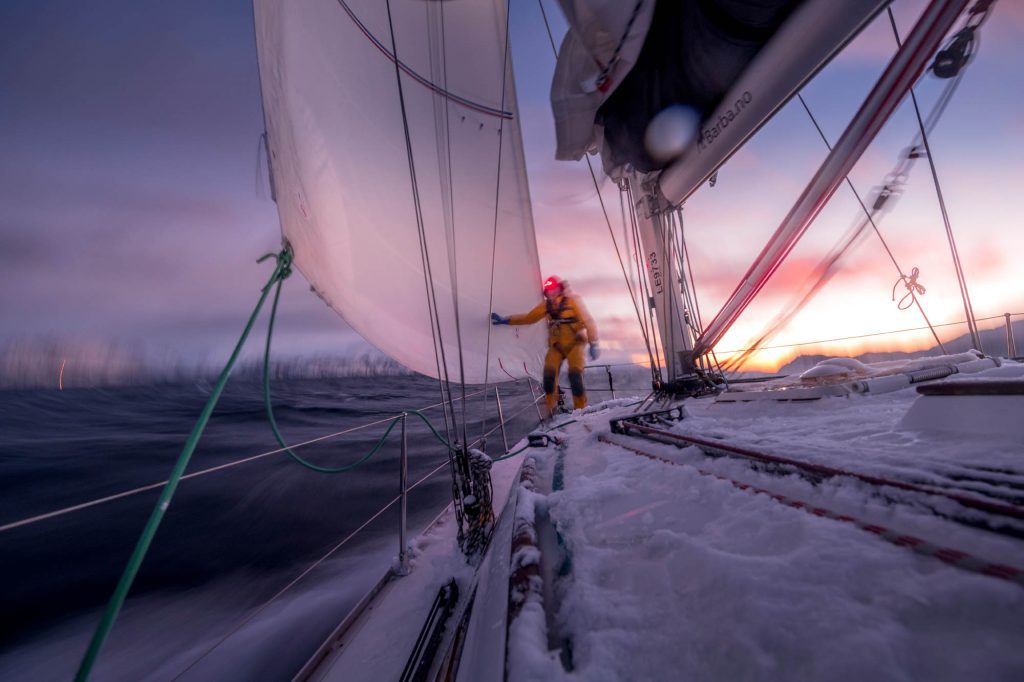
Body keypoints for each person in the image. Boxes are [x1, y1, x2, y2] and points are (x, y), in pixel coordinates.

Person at [491, 276, 599, 415]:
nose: (551, 293)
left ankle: (581, 410)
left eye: (554, 289)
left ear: (559, 289)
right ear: (546, 293)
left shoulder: (573, 301)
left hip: (575, 345)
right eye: (548, 290)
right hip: (557, 347)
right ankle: (551, 410)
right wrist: (506, 320)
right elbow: (529, 318)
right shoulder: (546, 306)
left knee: (575, 376)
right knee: (548, 377)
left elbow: (588, 321)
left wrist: (593, 342)